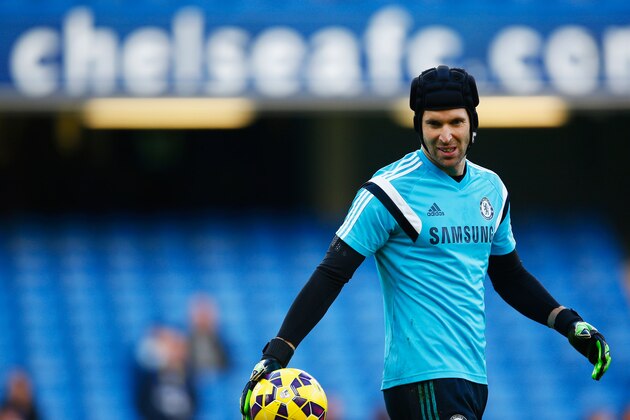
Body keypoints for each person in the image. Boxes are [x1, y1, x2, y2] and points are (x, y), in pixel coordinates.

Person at [239, 65, 612, 419]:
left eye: (456, 122)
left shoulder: (492, 189)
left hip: (472, 377)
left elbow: (509, 275)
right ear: (419, 126)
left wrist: (569, 324)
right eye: (434, 123)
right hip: (421, 378)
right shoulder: (388, 192)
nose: (445, 135)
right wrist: (279, 351)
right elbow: (331, 274)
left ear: (472, 124)